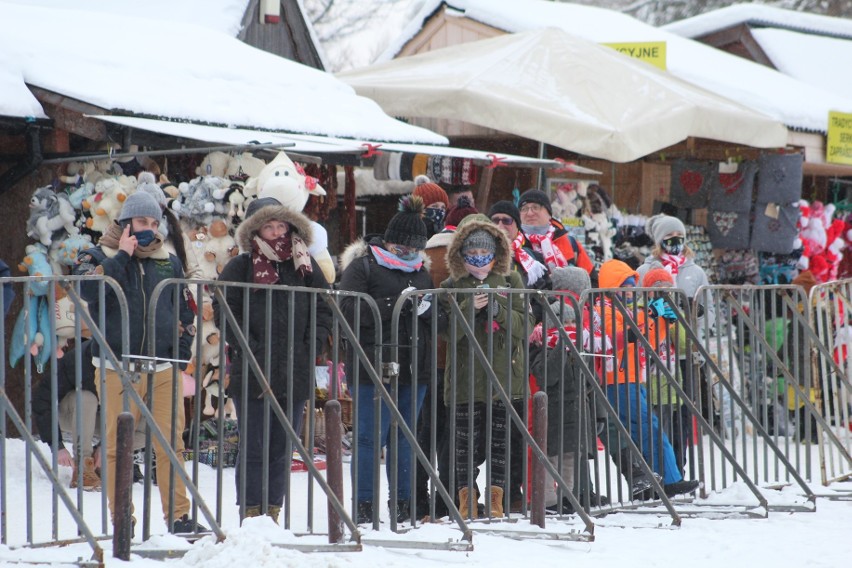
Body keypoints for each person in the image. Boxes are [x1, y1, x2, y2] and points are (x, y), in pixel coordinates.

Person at [74, 191, 204, 534]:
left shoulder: (167, 261)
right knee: (118, 445)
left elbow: (184, 310)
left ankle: (178, 517)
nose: (149, 229)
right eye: (142, 222)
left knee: (172, 445)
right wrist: (123, 256)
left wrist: (181, 351)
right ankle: (122, 520)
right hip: (116, 367)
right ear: (125, 223)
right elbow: (86, 289)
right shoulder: (97, 254)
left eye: (153, 223)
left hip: (162, 367)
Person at [215, 197, 332, 523]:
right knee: (254, 446)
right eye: (269, 225)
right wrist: (248, 346)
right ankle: (251, 513)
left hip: (294, 368)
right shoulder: (240, 266)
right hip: (252, 368)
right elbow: (225, 310)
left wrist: (312, 344)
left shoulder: (304, 265)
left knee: (282, 447)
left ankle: (273, 512)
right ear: (255, 229)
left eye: (281, 225)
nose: (277, 231)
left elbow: (324, 307)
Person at [338, 196, 434, 524]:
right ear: (388, 240)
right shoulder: (362, 266)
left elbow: (436, 323)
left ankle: (403, 502)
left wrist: (430, 310)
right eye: (401, 247)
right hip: (371, 366)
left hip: (413, 367)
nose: (407, 253)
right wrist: (396, 303)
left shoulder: (422, 273)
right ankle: (364, 504)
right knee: (368, 438)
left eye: (414, 249)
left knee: (405, 437)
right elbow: (349, 311)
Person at [439, 217, 532, 519]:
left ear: (497, 254)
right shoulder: (451, 286)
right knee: (464, 448)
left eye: (485, 253)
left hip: (505, 379)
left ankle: (496, 500)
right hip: (466, 380)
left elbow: (525, 325)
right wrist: (470, 308)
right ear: (460, 254)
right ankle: (468, 500)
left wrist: (498, 310)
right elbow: (448, 333)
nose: (479, 260)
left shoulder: (511, 281)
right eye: (472, 253)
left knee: (500, 446)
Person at [596, 259, 698, 498]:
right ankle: (668, 480)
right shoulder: (605, 310)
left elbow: (647, 338)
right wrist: (655, 314)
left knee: (644, 431)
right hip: (617, 379)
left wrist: (662, 319)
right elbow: (626, 336)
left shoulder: (622, 309)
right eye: (626, 286)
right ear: (613, 286)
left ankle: (658, 481)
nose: (632, 291)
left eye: (633, 285)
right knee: (648, 429)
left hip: (629, 377)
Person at [530, 266, 608, 513]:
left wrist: (600, 413)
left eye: (573, 321)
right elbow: (547, 376)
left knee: (570, 459)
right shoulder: (542, 345)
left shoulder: (582, 346)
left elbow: (591, 382)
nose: (570, 326)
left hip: (576, 413)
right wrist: (561, 346)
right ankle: (549, 501)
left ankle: (566, 498)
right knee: (549, 457)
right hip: (553, 411)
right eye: (564, 323)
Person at [637, 214, 715, 442]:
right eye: (669, 236)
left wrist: (694, 318)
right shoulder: (645, 270)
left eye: (679, 236)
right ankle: (659, 460)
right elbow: (637, 304)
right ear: (659, 240)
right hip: (656, 351)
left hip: (685, 349)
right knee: (657, 408)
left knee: (683, 409)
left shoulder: (695, 271)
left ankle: (680, 462)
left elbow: (709, 307)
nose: (675, 240)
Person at [32, 340, 101, 491]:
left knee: (144, 422)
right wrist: (56, 444)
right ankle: (84, 467)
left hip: (103, 419)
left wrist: (106, 446)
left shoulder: (129, 360)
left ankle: (101, 460)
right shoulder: (78, 360)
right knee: (86, 398)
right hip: (71, 413)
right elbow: (42, 398)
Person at [641, 265, 689, 476]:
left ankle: (674, 475)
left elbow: (683, 345)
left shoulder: (674, 311)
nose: (663, 292)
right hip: (648, 384)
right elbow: (644, 342)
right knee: (653, 436)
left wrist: (672, 322)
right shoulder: (642, 310)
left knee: (672, 436)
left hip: (670, 385)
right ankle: (658, 477)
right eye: (657, 287)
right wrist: (654, 316)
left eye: (667, 288)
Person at [516, 189, 595, 275]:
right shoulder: (513, 244)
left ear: (549, 213)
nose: (530, 213)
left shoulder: (571, 244)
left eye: (536, 207)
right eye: (524, 209)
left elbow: (591, 279)